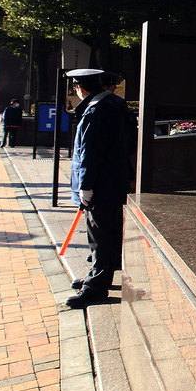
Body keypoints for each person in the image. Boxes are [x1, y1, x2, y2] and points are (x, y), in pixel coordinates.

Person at [65, 68, 131, 308]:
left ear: (80, 88)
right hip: (114, 180)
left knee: (100, 235)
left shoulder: (96, 111)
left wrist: (85, 185)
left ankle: (96, 285)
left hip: (100, 184)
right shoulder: (115, 106)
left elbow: (90, 151)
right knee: (108, 233)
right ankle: (99, 274)